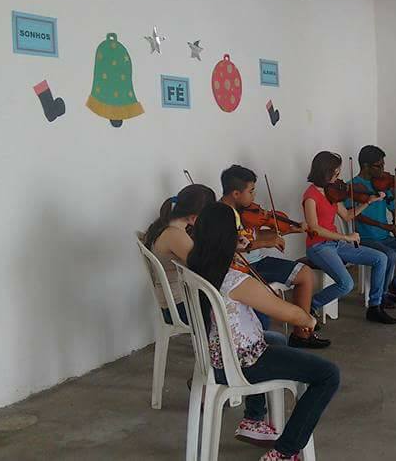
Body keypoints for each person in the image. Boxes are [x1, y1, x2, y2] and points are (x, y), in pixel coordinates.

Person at [187, 203, 340, 460]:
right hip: (240, 362)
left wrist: (237, 250)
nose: (242, 234)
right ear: (228, 238)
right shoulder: (235, 281)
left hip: (215, 352)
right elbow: (289, 314)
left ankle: (253, 418)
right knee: (328, 374)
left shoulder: (197, 265)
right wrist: (308, 319)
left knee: (276, 338)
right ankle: (284, 451)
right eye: (237, 231)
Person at [219, 165, 330, 348]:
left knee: (305, 273)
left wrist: (290, 230)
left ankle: (301, 335)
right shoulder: (221, 215)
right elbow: (234, 245)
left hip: (258, 261)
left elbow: (255, 235)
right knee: (265, 307)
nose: (254, 195)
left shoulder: (243, 212)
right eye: (251, 191)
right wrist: (267, 242)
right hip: (241, 268)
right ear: (236, 194)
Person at [302, 151, 396, 324]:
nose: (338, 175)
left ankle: (374, 307)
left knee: (381, 258)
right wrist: (345, 237)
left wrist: (367, 202)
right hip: (318, 247)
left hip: (336, 244)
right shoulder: (310, 196)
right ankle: (310, 306)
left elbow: (347, 215)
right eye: (336, 171)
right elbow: (315, 229)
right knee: (346, 284)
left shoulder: (331, 191)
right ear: (325, 171)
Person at [349, 145, 396, 305]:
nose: (383, 170)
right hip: (365, 238)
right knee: (390, 254)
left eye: (383, 165)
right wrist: (383, 226)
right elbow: (356, 215)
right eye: (379, 166)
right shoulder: (353, 186)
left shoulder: (382, 186)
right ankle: (381, 296)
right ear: (366, 166)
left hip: (385, 238)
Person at [143, 183, 216, 324]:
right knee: (235, 301)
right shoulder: (175, 235)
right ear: (194, 218)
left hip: (174, 303)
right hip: (181, 308)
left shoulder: (163, 225)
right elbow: (207, 270)